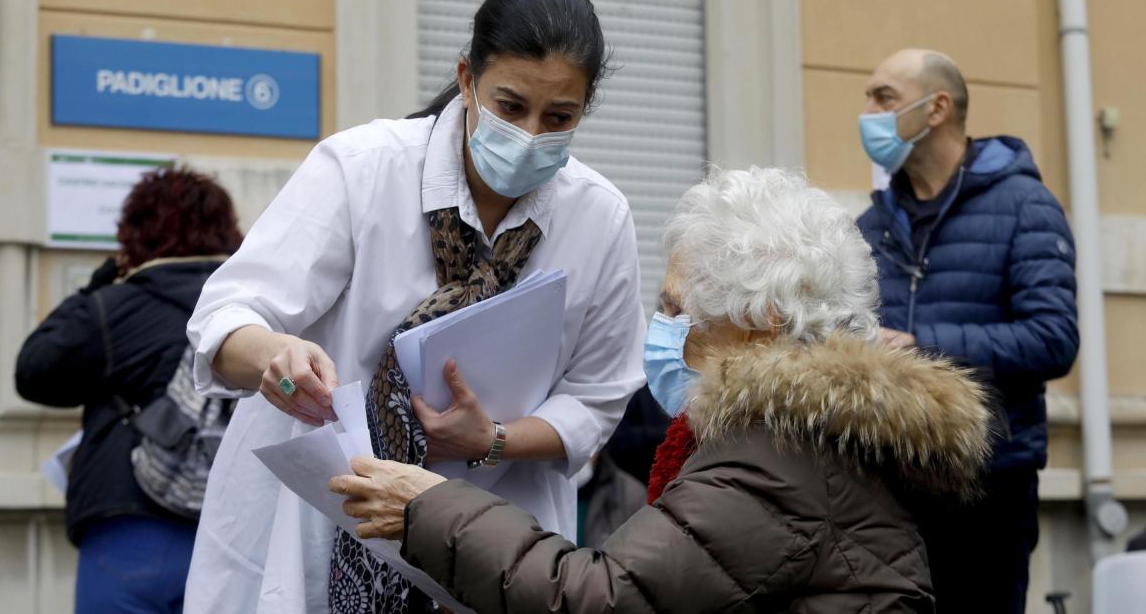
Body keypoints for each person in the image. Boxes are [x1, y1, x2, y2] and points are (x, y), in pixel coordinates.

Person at [331, 167, 994, 614]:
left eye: (678, 309)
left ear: (757, 324)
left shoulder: (775, 458)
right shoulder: (814, 433)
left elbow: (600, 597)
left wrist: (432, 507)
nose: (662, 327)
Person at [183, 0, 646, 613]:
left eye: (559, 118)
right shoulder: (363, 169)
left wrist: (494, 439)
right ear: (466, 79)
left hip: (486, 539)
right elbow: (227, 316)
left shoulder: (599, 217)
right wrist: (276, 357)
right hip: (318, 521)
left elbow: (598, 398)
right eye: (510, 107)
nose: (532, 134)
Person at [855, 48, 1080, 613]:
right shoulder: (872, 224)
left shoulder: (1026, 206)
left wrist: (922, 345)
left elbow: (1053, 338)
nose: (869, 113)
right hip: (889, 482)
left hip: (990, 483)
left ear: (936, 108)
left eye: (884, 97)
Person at [15, 168, 242, 614]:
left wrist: (100, 285)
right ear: (227, 232)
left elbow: (34, 372)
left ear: (134, 234)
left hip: (131, 531)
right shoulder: (252, 307)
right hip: (235, 532)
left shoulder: (115, 307)